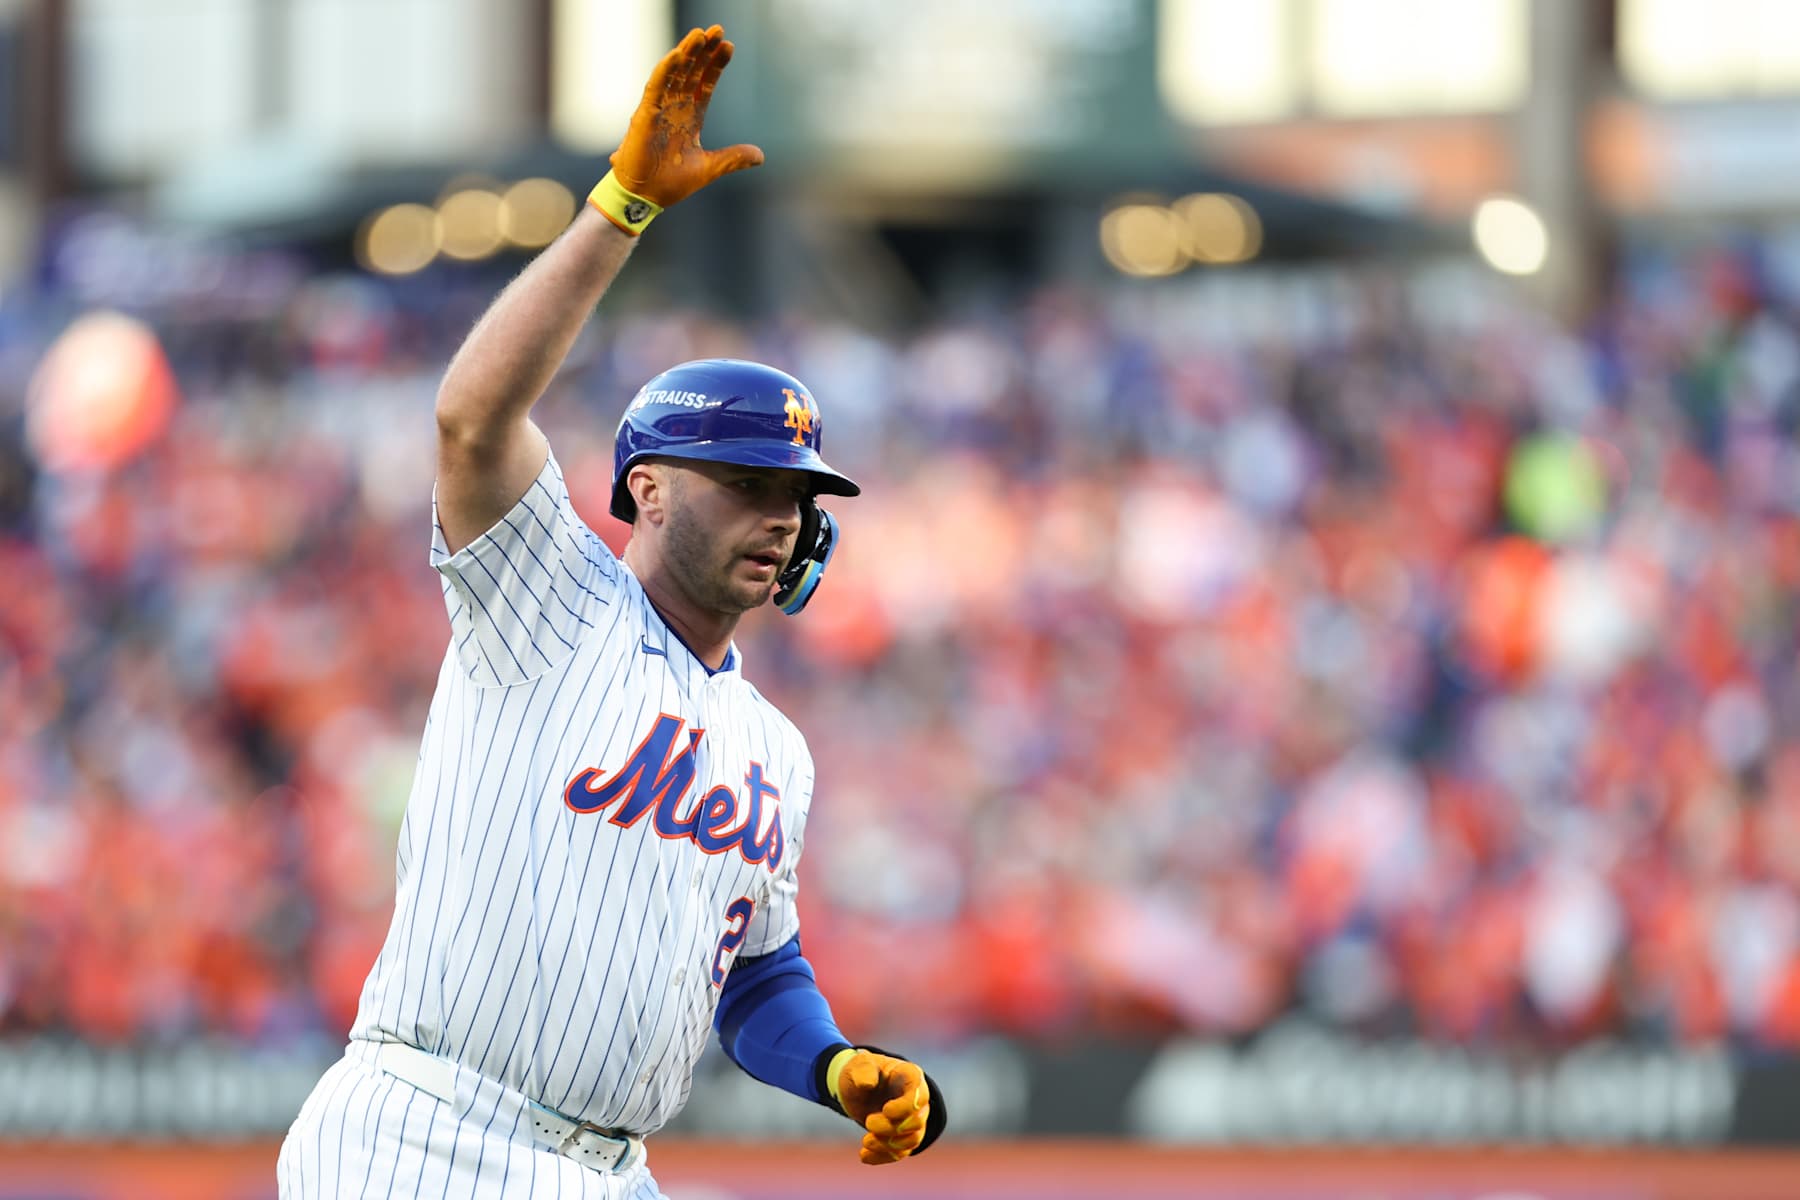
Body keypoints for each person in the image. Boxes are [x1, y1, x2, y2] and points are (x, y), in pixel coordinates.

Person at [277, 25, 944, 1198]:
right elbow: (472, 421)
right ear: (648, 488)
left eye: (794, 494)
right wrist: (620, 209)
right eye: (745, 484)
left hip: (608, 1167)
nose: (780, 515)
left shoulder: (775, 750)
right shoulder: (548, 598)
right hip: (428, 1132)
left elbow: (757, 976)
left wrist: (833, 1064)